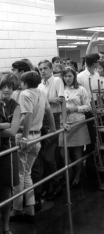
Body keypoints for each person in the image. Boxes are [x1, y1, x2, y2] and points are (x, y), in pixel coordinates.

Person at [10, 71, 56, 223]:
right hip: (37, 137)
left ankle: (16, 210)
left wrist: (23, 136)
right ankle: (30, 209)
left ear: (24, 83)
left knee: (19, 176)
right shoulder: (41, 92)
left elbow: (28, 115)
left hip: (26, 137)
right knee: (27, 174)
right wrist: (54, 129)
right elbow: (48, 111)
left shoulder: (25, 94)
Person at [38, 60, 66, 200]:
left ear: (50, 69)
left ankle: (56, 185)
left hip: (54, 118)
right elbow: (45, 102)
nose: (42, 71)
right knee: (45, 155)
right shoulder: (39, 85)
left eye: (45, 68)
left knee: (48, 155)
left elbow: (60, 100)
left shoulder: (57, 80)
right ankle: (49, 183)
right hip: (41, 120)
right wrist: (49, 100)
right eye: (40, 69)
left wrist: (45, 101)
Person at [59, 67, 91, 188]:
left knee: (78, 153)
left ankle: (77, 175)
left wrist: (76, 108)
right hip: (64, 122)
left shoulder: (80, 89)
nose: (67, 79)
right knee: (63, 153)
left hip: (78, 123)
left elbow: (88, 107)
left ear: (74, 77)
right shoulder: (60, 89)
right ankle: (70, 172)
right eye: (65, 76)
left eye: (70, 76)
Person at [0, 73, 21, 234]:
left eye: (10, 87)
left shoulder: (15, 106)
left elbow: (13, 130)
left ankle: (5, 227)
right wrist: (4, 124)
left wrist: (7, 125)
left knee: (6, 191)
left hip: (7, 152)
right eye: (4, 86)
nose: (7, 90)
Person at [77, 53, 100, 173]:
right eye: (97, 62)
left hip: (98, 105)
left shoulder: (97, 75)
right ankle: (89, 163)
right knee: (90, 136)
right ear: (95, 63)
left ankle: (96, 159)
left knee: (97, 134)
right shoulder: (80, 77)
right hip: (86, 109)